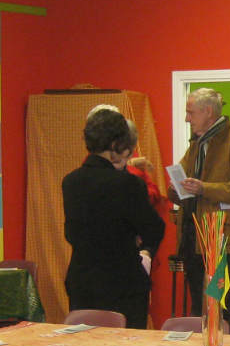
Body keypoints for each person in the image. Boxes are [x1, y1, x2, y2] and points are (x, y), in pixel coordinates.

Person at [61, 107, 165, 328]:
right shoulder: (128, 183)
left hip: (82, 279)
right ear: (117, 144)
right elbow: (154, 229)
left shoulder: (70, 181)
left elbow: (71, 233)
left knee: (85, 343)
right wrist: (144, 251)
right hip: (122, 282)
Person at [172, 89, 230, 315]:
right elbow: (183, 186)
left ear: (208, 112)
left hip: (225, 243)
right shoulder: (196, 147)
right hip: (195, 242)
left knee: (226, 310)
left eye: (190, 113)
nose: (187, 119)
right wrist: (175, 189)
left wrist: (204, 188)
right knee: (200, 311)